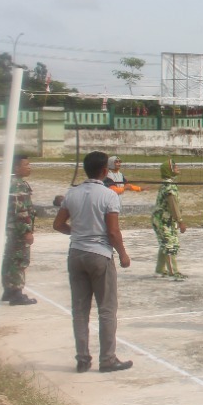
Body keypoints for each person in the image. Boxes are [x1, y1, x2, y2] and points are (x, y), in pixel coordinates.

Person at [53, 151, 132, 373]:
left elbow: (58, 224)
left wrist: (78, 233)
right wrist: (123, 255)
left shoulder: (72, 193)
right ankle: (107, 359)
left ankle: (82, 358)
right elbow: (113, 232)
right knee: (106, 309)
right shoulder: (109, 196)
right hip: (100, 254)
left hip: (76, 253)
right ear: (105, 171)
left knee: (80, 309)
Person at [1, 153, 37, 305]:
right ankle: (16, 293)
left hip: (12, 229)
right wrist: (27, 231)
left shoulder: (13, 182)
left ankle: (9, 290)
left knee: (10, 258)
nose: (29, 167)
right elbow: (21, 211)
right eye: (26, 165)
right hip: (19, 230)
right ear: (17, 167)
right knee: (19, 260)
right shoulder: (18, 185)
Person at [150, 158, 187, 280]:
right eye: (175, 166)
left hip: (165, 220)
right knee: (170, 245)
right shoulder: (169, 187)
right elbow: (173, 205)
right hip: (161, 220)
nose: (178, 168)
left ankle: (160, 270)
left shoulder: (169, 183)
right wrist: (180, 221)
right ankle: (173, 272)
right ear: (169, 170)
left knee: (165, 244)